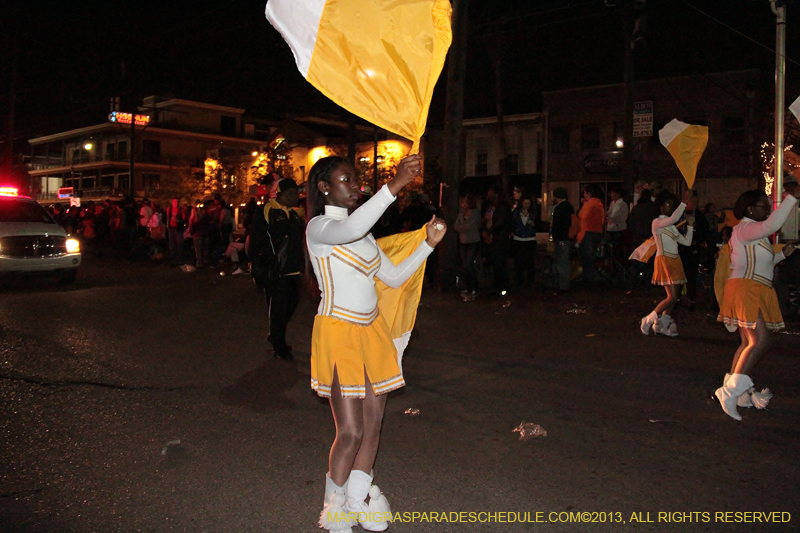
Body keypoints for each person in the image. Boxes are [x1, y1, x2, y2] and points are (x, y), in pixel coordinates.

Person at [305, 154, 446, 532]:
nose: (355, 186)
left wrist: (428, 245)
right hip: (338, 334)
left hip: (372, 333)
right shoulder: (320, 228)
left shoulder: (362, 232)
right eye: (346, 180)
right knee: (349, 431)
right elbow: (350, 228)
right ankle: (332, 511)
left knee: (373, 423)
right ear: (324, 187)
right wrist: (395, 185)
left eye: (356, 180)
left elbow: (396, 277)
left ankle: (357, 500)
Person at [714, 186, 799, 421]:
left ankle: (737, 391)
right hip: (745, 288)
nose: (768, 210)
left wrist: (783, 254)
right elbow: (773, 225)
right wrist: (792, 197)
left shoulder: (754, 234)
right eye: (765, 206)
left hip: (752, 288)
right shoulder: (745, 229)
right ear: (751, 209)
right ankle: (730, 392)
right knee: (760, 340)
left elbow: (765, 262)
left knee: (747, 341)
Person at [248, 179, 305, 360]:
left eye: (296, 193)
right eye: (290, 193)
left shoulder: (294, 215)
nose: (294, 197)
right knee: (278, 308)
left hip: (293, 269)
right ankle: (279, 345)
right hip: (276, 269)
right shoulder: (267, 210)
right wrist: (256, 263)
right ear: (278, 194)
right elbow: (257, 237)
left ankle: (276, 334)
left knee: (292, 303)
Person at [640, 190, 694, 336]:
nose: (670, 207)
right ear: (661, 206)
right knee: (672, 297)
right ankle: (650, 318)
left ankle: (662, 323)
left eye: (671, 204)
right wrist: (685, 201)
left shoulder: (670, 226)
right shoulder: (657, 222)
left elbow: (687, 242)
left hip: (675, 260)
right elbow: (674, 218)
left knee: (673, 297)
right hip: (665, 259)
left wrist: (690, 226)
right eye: (667, 204)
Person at [481, 186, 512, 295]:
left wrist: (489, 231)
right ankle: (496, 284)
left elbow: (500, 221)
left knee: (500, 261)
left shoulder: (502, 206)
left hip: (499, 236)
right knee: (494, 260)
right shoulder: (489, 206)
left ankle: (502, 285)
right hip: (491, 236)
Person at [577, 185, 605, 287]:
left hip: (587, 232)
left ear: (588, 193)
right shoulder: (600, 205)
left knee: (586, 258)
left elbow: (582, 217)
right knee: (592, 257)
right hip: (597, 232)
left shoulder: (589, 205)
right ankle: (591, 278)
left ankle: (588, 279)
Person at [454, 194, 481, 296]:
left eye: (464, 202)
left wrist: (462, 227)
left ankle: (474, 287)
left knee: (469, 264)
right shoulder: (461, 213)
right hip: (463, 242)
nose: (462, 204)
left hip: (473, 241)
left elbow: (472, 225)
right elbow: (456, 225)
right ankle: (467, 287)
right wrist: (462, 227)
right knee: (465, 265)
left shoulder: (475, 213)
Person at [550, 187, 574, 292]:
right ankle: (561, 284)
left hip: (560, 238)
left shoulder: (559, 208)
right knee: (562, 261)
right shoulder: (569, 207)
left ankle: (562, 285)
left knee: (561, 262)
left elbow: (556, 225)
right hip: (566, 238)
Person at [511, 195, 538, 286]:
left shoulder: (534, 213)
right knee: (518, 261)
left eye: (528, 203)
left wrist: (534, 225)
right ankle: (519, 280)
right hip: (518, 238)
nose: (526, 205)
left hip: (530, 239)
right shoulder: (516, 213)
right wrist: (513, 231)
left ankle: (530, 281)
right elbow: (512, 223)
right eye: (525, 203)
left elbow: (539, 225)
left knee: (530, 261)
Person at [606, 185, 629, 279]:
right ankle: (613, 270)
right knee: (611, 251)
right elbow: (609, 214)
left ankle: (619, 271)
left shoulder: (622, 204)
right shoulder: (612, 204)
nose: (611, 195)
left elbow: (617, 217)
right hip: (611, 230)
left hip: (618, 230)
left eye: (613, 193)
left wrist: (610, 218)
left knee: (617, 252)